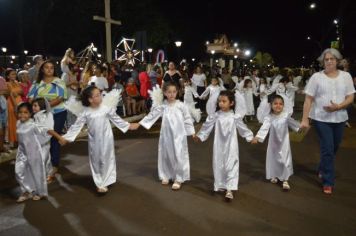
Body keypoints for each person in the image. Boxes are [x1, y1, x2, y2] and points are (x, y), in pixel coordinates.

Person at [62, 86, 136, 193]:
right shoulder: (85, 112)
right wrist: (67, 138)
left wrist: (128, 125)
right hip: (94, 141)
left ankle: (105, 181)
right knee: (96, 160)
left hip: (107, 139)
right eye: (97, 95)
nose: (100, 96)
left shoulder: (105, 108)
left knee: (107, 158)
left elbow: (116, 119)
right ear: (90, 100)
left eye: (100, 94)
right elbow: (76, 126)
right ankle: (99, 182)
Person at [300, 48, 355, 194]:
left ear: (337, 61)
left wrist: (339, 106)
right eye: (326, 59)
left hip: (340, 118)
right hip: (321, 118)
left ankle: (322, 167)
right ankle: (328, 181)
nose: (329, 61)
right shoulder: (316, 77)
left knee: (334, 147)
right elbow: (308, 99)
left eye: (332, 59)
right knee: (328, 148)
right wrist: (305, 119)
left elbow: (351, 97)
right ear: (322, 62)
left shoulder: (346, 76)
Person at [133, 81, 195, 190]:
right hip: (166, 135)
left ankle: (178, 178)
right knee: (166, 154)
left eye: (174, 92)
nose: (172, 94)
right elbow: (152, 116)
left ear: (177, 92)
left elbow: (187, 119)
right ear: (165, 93)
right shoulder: (163, 106)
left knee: (178, 155)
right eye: (169, 92)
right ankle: (166, 174)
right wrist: (140, 124)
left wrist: (192, 132)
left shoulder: (181, 106)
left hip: (179, 136)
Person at [194, 90, 254, 200]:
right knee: (219, 163)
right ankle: (221, 184)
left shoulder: (234, 117)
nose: (221, 103)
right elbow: (207, 126)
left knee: (231, 164)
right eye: (219, 101)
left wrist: (250, 137)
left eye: (224, 101)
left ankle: (230, 188)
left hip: (231, 145)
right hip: (219, 145)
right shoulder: (216, 116)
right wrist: (200, 135)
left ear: (231, 103)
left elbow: (243, 128)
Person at [15, 102, 64, 202]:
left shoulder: (33, 125)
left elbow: (48, 130)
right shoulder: (18, 123)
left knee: (37, 172)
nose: (22, 115)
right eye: (20, 112)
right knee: (19, 171)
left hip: (34, 152)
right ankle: (26, 191)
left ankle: (40, 193)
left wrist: (59, 138)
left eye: (25, 112)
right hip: (21, 153)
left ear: (30, 114)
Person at [28, 60, 68, 178]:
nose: (49, 69)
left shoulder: (59, 81)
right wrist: (37, 108)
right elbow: (30, 98)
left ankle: (54, 165)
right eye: (46, 67)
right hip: (41, 115)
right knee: (42, 139)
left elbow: (61, 98)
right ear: (42, 69)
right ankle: (43, 163)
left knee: (54, 137)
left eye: (51, 67)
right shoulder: (36, 83)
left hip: (58, 113)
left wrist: (45, 106)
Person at [252, 95, 300, 191]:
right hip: (273, 143)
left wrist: (300, 127)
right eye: (275, 104)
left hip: (284, 143)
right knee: (273, 159)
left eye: (280, 104)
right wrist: (257, 137)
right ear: (271, 105)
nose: (278, 106)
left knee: (285, 159)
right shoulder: (269, 117)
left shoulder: (286, 116)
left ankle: (285, 179)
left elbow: (294, 124)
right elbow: (264, 128)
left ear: (283, 105)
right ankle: (274, 174)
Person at [32, 97, 54, 182]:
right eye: (33, 106)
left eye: (35, 106)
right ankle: (48, 174)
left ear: (41, 106)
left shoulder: (47, 115)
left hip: (44, 141)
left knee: (44, 158)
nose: (33, 107)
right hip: (37, 141)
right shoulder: (36, 116)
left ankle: (46, 175)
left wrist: (42, 139)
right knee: (43, 158)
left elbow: (49, 129)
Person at [6, 68, 23, 148]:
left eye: (15, 74)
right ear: (8, 76)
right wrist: (16, 106)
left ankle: (19, 141)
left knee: (20, 122)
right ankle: (14, 142)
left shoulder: (17, 82)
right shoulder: (7, 84)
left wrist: (17, 92)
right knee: (13, 122)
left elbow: (22, 92)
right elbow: (11, 96)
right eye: (12, 74)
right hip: (12, 104)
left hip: (20, 101)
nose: (14, 76)